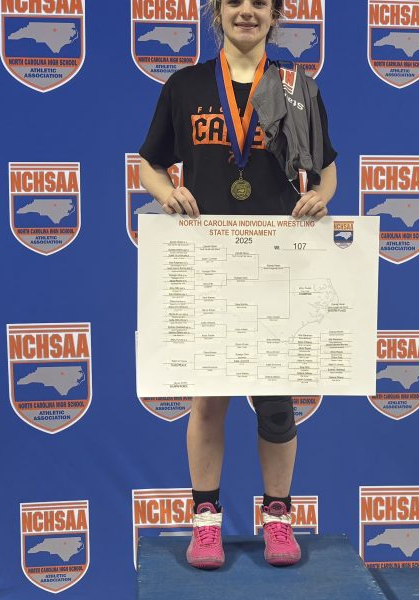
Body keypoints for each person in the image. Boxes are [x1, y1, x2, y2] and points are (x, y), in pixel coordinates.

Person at [137, 0, 337, 571]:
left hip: (278, 261)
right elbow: (148, 163)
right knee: (209, 398)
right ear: (216, 13)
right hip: (209, 260)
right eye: (234, 3)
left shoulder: (298, 88)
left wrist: (320, 199)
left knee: (276, 404)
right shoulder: (186, 86)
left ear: (275, 16)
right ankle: (206, 521)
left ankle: (278, 517)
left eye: (259, 4)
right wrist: (165, 193)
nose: (246, 12)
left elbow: (326, 172)